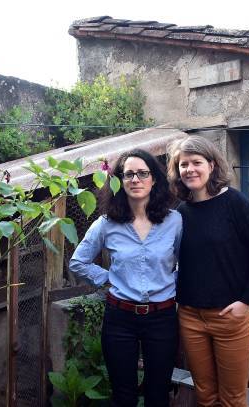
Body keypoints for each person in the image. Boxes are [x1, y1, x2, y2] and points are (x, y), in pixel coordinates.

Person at [69, 149, 182, 407]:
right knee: (123, 395)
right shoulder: (107, 224)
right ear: (119, 181)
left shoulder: (174, 221)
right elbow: (78, 261)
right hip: (120, 319)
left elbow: (186, 263)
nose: (135, 179)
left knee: (158, 393)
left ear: (154, 179)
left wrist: (171, 284)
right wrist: (110, 279)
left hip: (162, 318)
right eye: (128, 174)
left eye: (143, 173)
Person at [167, 136, 249, 407]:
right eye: (183, 164)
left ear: (211, 165)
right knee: (205, 395)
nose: (189, 169)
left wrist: (246, 301)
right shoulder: (181, 213)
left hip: (229, 318)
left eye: (196, 162)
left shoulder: (235, 204)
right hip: (190, 316)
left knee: (233, 399)